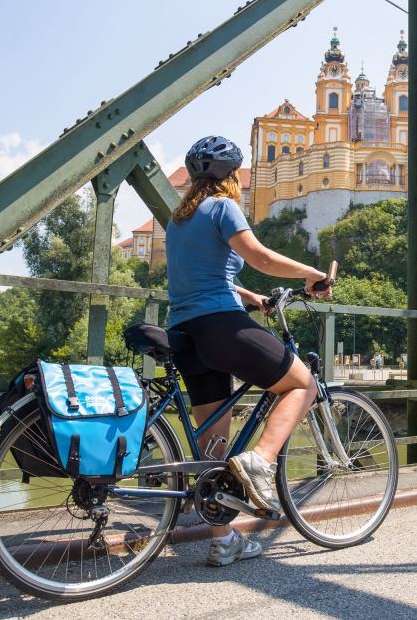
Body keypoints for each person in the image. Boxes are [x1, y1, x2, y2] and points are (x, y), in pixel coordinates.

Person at [165, 135, 331, 567]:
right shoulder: (223, 206)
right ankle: (259, 462)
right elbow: (257, 256)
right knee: (302, 384)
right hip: (219, 326)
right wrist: (312, 273)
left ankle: (223, 541)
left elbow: (202, 274)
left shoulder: (178, 221)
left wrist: (249, 296)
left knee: (212, 445)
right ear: (232, 177)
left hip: (185, 332)